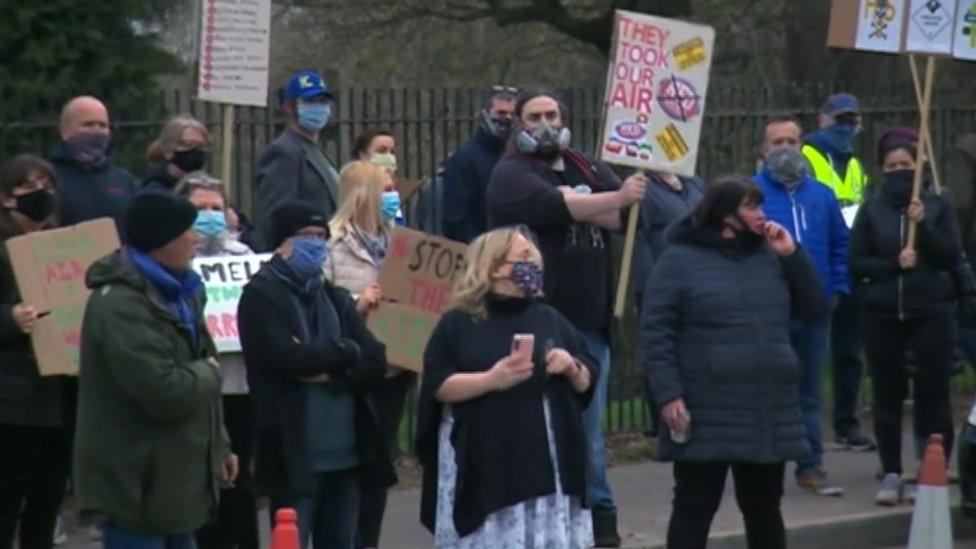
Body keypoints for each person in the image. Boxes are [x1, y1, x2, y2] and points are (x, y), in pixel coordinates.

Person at [486, 89, 646, 547]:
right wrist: (612, 198)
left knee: (588, 428)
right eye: (534, 116)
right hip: (534, 323)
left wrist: (620, 198)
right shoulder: (511, 172)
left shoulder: (585, 166)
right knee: (540, 428)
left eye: (552, 114)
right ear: (519, 124)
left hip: (590, 325)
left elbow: (623, 218)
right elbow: (556, 207)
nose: (545, 124)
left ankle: (600, 515)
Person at [643, 176, 824, 549]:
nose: (761, 215)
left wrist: (792, 255)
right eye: (751, 208)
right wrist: (668, 394)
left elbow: (813, 308)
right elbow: (656, 332)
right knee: (695, 505)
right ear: (726, 215)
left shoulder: (768, 254)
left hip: (765, 404)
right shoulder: (679, 258)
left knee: (764, 507)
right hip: (706, 405)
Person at [417, 226, 598, 548]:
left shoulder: (550, 318)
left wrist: (573, 367)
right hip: (492, 464)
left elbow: (587, 381)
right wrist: (491, 380)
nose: (535, 266)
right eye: (524, 257)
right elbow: (437, 385)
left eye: (535, 257)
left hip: (548, 467)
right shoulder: (459, 323)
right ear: (495, 267)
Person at [73, 192, 237, 547]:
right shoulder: (120, 305)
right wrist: (209, 373)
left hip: (176, 477)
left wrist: (219, 447)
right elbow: (164, 391)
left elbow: (199, 370)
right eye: (187, 231)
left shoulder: (184, 292)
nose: (196, 238)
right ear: (160, 239)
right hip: (136, 483)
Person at [237, 200, 395, 549]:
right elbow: (287, 358)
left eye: (320, 235)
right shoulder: (260, 297)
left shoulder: (334, 297)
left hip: (347, 454)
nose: (315, 243)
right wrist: (345, 350)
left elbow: (374, 359)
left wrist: (333, 372)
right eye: (305, 235)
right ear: (281, 242)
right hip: (294, 454)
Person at [848, 138, 961, 505]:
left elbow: (950, 257)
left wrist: (924, 227)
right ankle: (892, 471)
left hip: (929, 312)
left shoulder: (938, 207)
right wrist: (894, 264)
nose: (899, 172)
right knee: (887, 396)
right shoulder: (871, 211)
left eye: (905, 166)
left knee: (933, 394)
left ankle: (935, 472)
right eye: (892, 167)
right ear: (882, 170)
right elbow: (857, 264)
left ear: (919, 167)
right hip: (883, 315)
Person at [753, 115, 850, 496]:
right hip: (769, 310)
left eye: (792, 141)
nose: (785, 150)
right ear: (763, 150)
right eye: (777, 142)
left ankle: (810, 465)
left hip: (815, 309)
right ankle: (765, 463)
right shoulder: (752, 195)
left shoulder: (822, 196)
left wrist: (838, 285)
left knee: (809, 391)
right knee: (770, 388)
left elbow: (841, 245)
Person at [322, 161, 408, 549]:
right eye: (385, 188)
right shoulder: (333, 244)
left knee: (380, 465)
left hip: (397, 366)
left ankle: (368, 540)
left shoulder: (402, 241)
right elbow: (322, 303)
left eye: (394, 188)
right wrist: (358, 301)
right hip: (358, 368)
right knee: (355, 463)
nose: (393, 196)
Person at [175, 173, 258, 549]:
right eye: (199, 209)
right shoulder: (175, 262)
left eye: (216, 208)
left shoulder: (246, 259)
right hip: (195, 386)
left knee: (241, 481)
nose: (210, 216)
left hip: (240, 384)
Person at [801, 93, 875, 451]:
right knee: (810, 353)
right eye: (840, 120)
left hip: (851, 264)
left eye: (852, 120)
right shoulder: (807, 158)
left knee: (849, 353)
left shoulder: (856, 165)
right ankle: (805, 429)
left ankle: (846, 423)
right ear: (821, 120)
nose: (846, 127)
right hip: (818, 265)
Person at [0, 155, 68, 549]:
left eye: (47, 184)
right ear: (7, 199)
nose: (42, 194)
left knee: (46, 501)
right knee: (7, 498)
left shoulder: (62, 247)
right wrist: (10, 318)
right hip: (11, 399)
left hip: (57, 394)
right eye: (29, 187)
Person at [633, 170, 704, 436]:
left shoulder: (694, 183)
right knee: (662, 351)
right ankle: (664, 424)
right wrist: (653, 285)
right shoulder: (645, 187)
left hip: (697, 283)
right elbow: (638, 239)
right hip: (661, 283)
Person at [254, 70, 341, 250]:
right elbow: (274, 217)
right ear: (288, 107)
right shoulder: (283, 152)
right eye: (309, 102)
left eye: (323, 101)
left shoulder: (316, 151)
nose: (319, 107)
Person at [48, 95, 139, 232]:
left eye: (103, 125)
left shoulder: (124, 180)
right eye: (88, 125)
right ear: (64, 131)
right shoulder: (47, 177)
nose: (97, 131)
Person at [443, 86, 517, 243]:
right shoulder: (464, 160)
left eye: (512, 114)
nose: (507, 119)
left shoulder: (517, 157)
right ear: (485, 115)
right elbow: (455, 220)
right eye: (501, 113)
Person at [144, 116, 213, 192]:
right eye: (188, 145)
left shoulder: (207, 187)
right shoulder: (154, 191)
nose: (196, 151)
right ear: (168, 150)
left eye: (201, 146)